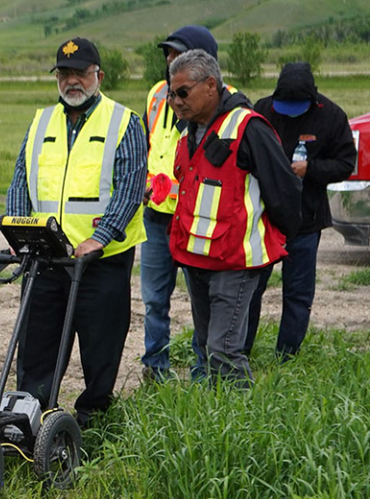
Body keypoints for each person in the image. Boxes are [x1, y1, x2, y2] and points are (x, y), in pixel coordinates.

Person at [5, 37, 147, 428]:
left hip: (101, 261)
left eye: (80, 73)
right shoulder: (40, 122)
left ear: (98, 76)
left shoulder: (124, 122)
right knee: (36, 344)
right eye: (64, 74)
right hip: (46, 256)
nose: (72, 82)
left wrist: (100, 239)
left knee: (101, 346)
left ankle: (92, 421)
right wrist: (19, 231)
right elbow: (21, 180)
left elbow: (131, 187)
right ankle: (29, 419)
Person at [167, 49, 301, 386]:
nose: (175, 101)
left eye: (183, 92)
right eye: (171, 93)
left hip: (235, 261)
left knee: (223, 350)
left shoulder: (249, 128)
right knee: (205, 346)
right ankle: (217, 415)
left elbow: (284, 191)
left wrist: (280, 240)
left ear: (210, 85)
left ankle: (240, 426)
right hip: (197, 259)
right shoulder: (189, 132)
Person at [244, 62, 357, 361]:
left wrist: (312, 169)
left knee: (297, 294)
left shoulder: (331, 116)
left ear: (312, 99)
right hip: (263, 220)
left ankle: (287, 356)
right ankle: (239, 351)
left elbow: (347, 163)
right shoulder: (262, 110)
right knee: (251, 289)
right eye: (286, 105)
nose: (290, 111)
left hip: (306, 222)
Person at [140, 26, 224, 383]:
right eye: (168, 55)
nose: (170, 61)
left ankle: (202, 372)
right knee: (154, 300)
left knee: (202, 303)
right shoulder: (158, 94)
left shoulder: (220, 103)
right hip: (157, 216)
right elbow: (149, 144)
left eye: (179, 55)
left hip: (196, 218)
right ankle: (155, 370)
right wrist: (145, 185)